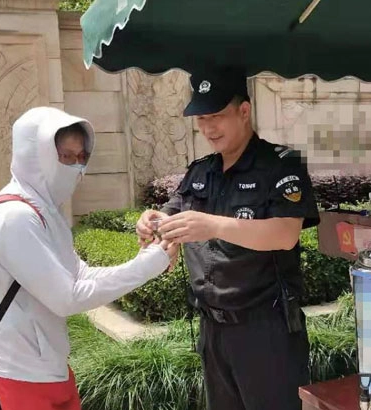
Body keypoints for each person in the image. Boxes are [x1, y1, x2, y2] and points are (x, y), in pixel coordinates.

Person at [0, 107, 179, 410]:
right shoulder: (15, 218)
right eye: (65, 157)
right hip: (14, 376)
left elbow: (80, 273)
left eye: (81, 157)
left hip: (45, 369)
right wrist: (150, 264)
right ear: (34, 155)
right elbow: (67, 298)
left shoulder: (43, 211)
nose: (76, 168)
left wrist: (147, 258)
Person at [136, 67, 320, 410]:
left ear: (244, 111)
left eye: (217, 116)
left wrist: (214, 226)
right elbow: (171, 213)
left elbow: (285, 234)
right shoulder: (201, 170)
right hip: (213, 330)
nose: (208, 128)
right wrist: (151, 222)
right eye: (202, 118)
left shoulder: (281, 165)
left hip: (265, 330)